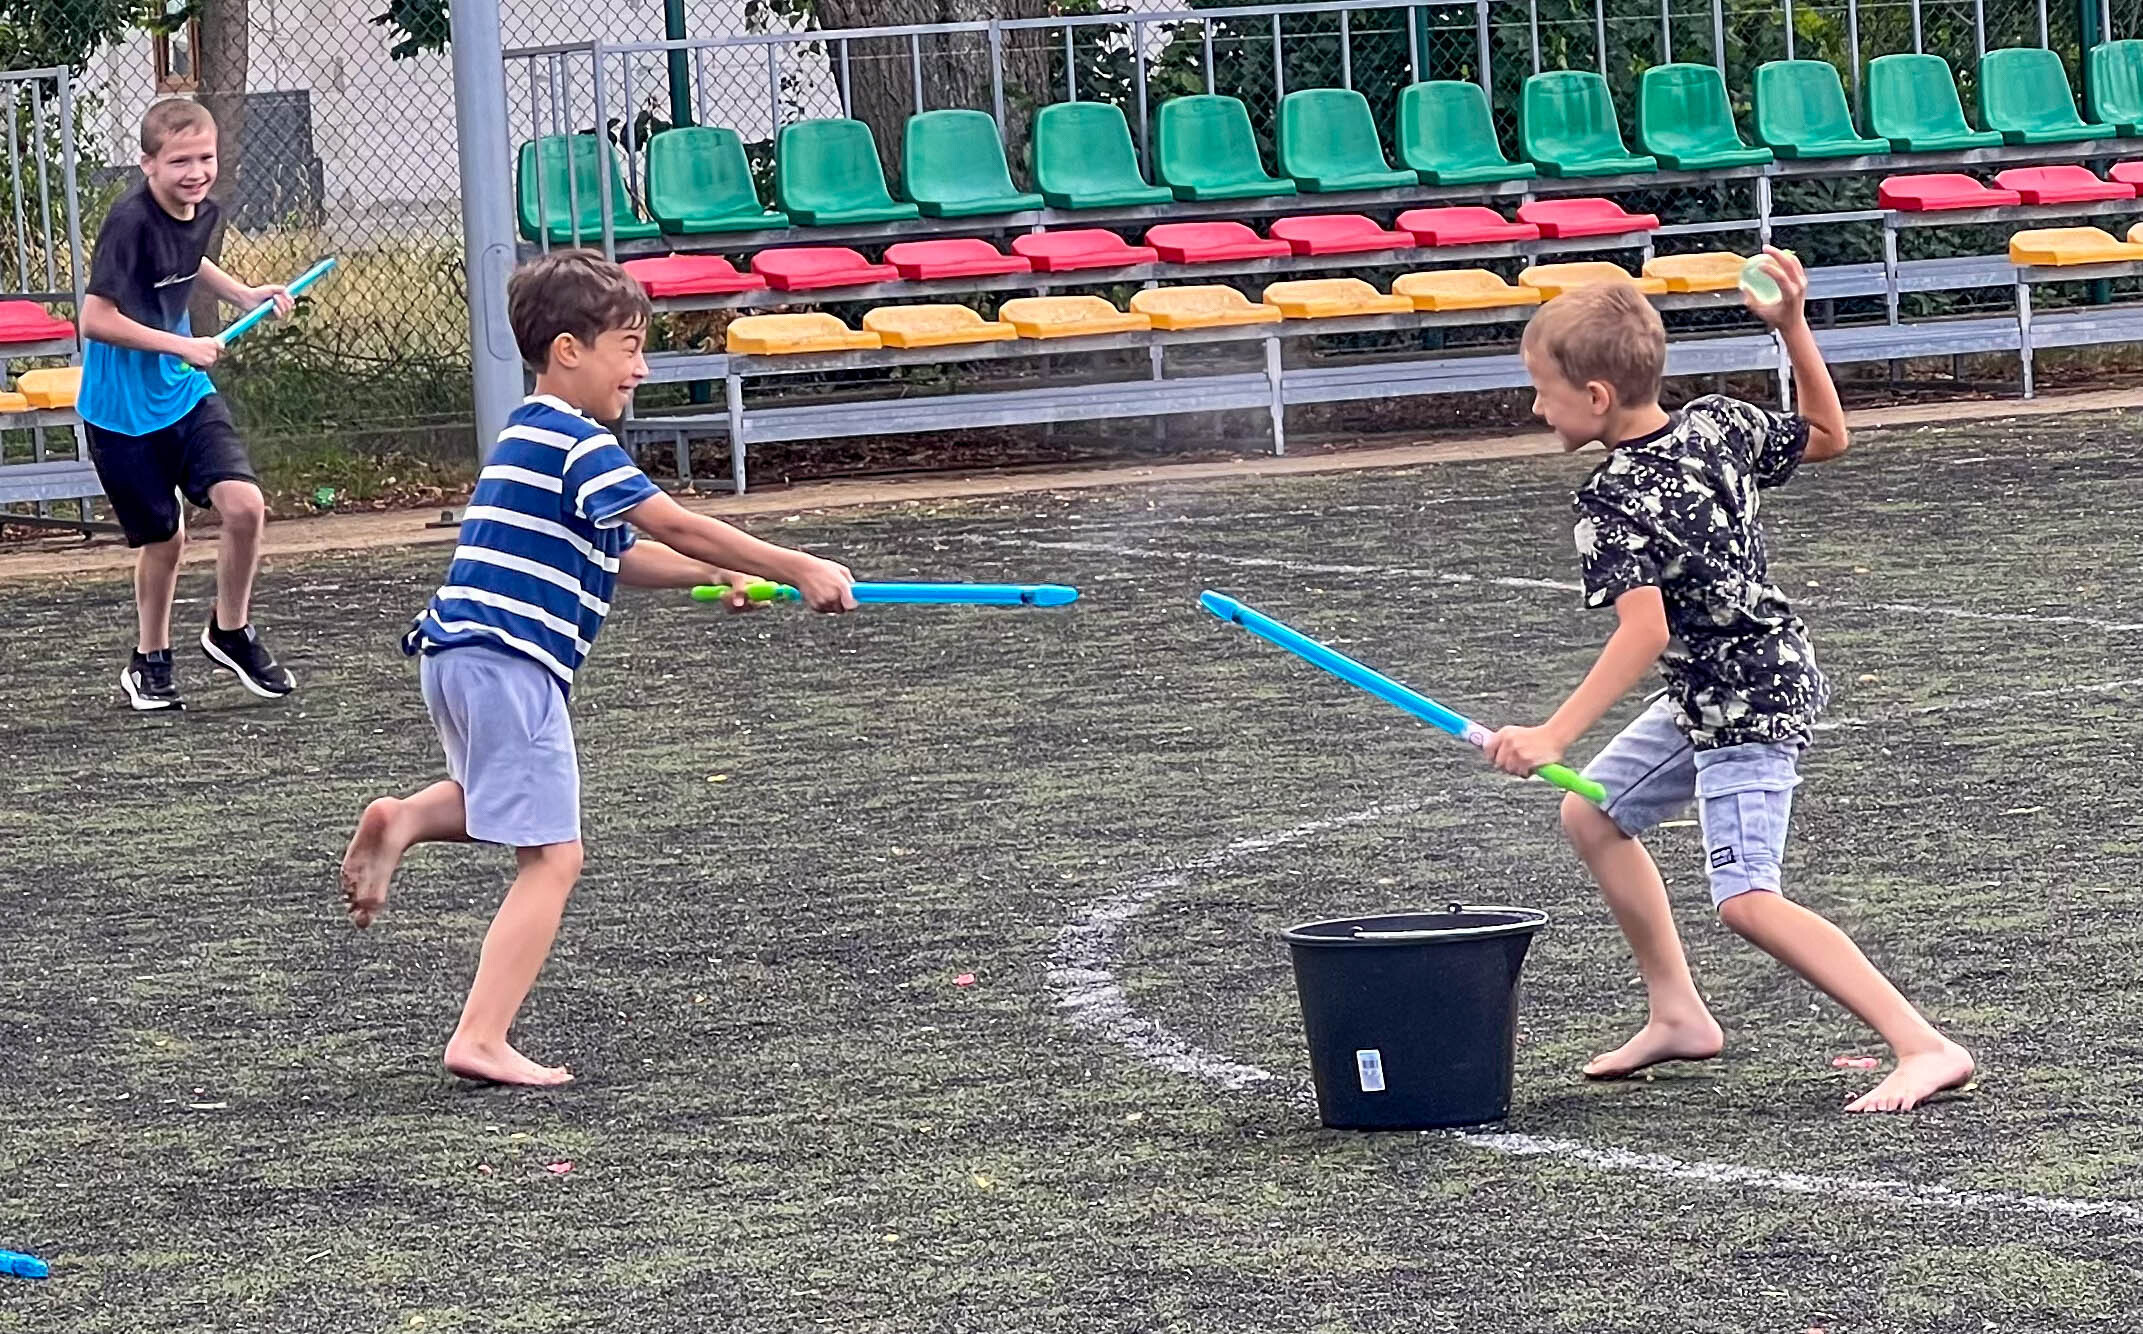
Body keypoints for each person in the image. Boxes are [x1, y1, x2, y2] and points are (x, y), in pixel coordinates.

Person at [339, 250, 856, 1086]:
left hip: (460, 653)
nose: (641, 367)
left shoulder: (525, 434)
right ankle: (481, 1036)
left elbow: (619, 557)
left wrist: (725, 574)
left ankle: (402, 822)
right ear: (570, 351)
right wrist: (792, 562)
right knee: (554, 855)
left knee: (504, 800)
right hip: (513, 658)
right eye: (629, 346)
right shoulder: (579, 444)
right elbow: (675, 523)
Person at [1485, 250, 1975, 1114]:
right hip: (1717, 686)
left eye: (1541, 389)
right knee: (1590, 812)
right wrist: (1789, 327)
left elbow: (1645, 630)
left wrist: (1552, 735)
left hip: (1746, 702)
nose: (1534, 407)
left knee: (1747, 899)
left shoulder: (1611, 499)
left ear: (1594, 396)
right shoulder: (1717, 422)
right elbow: (1829, 436)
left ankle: (1921, 1044)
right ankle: (1677, 1014)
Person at [79, 97, 299, 711]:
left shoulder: (203, 209)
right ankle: (150, 660)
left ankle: (229, 630)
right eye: (180, 161)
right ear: (149, 164)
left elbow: (186, 260)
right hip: (120, 411)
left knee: (245, 506)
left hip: (183, 393)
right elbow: (96, 319)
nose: (195, 172)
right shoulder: (128, 222)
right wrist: (183, 342)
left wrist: (243, 292)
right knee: (166, 541)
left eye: (205, 157)